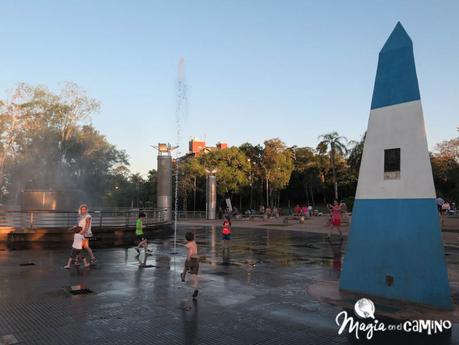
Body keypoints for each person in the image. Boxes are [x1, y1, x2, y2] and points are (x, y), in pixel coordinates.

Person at [181, 232, 199, 300]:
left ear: (186, 239)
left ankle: (183, 277)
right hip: (196, 260)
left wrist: (188, 258)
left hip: (190, 259)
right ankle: (196, 288)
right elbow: (191, 241)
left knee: (185, 267)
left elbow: (190, 252)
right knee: (195, 275)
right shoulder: (194, 242)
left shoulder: (188, 245)